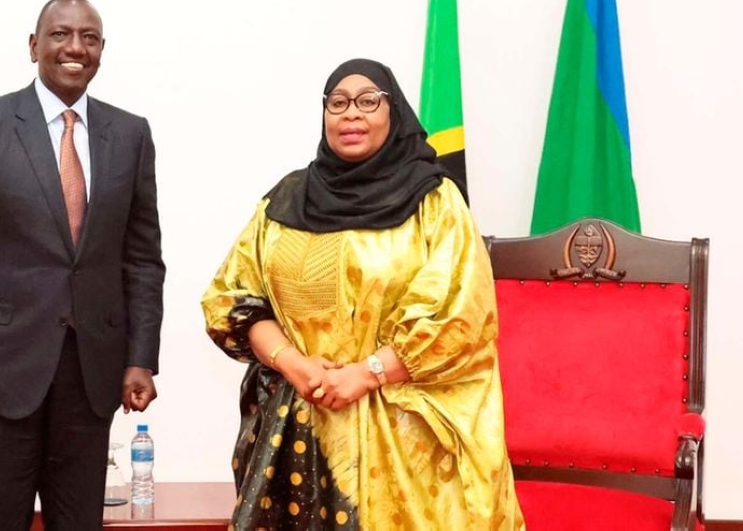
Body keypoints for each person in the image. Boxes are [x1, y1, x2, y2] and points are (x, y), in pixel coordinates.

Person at [200, 58, 523, 530]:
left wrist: (367, 374)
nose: (351, 114)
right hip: (297, 431)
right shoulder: (285, 200)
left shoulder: (435, 202)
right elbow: (232, 300)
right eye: (338, 102)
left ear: (394, 113)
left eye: (368, 101)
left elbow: (460, 318)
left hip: (407, 443)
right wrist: (295, 363)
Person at [0, 0, 165, 530]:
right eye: (60, 34)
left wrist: (141, 357)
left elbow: (143, 260)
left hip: (93, 375)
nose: (75, 47)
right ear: (34, 46)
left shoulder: (129, 134)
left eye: (89, 38)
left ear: (101, 51)